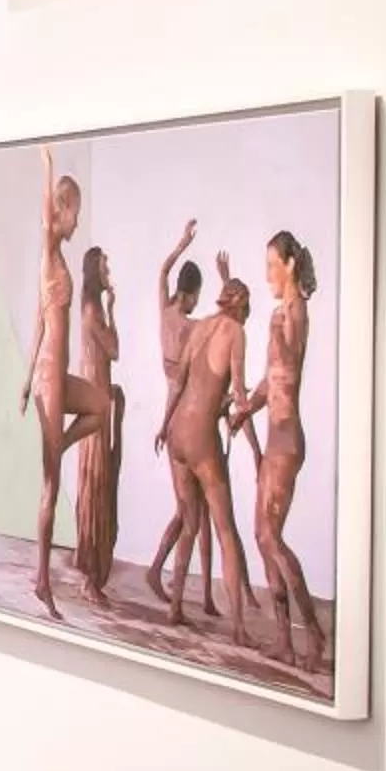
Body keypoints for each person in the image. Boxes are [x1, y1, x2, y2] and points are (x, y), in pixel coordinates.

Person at [16, 149, 115, 620]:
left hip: (48, 374)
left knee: (100, 406)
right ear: (67, 208)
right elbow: (44, 221)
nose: (78, 223)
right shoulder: (50, 249)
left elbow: (38, 321)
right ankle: (41, 580)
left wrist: (22, 380)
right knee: (51, 484)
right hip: (50, 379)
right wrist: (47, 169)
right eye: (76, 212)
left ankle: (62, 445)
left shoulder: (54, 267)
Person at [239, 231, 327, 668]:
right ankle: (285, 642)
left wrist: (278, 325)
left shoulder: (295, 312)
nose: (267, 274)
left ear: (289, 265)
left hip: (287, 439)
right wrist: (242, 412)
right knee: (261, 537)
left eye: (273, 265)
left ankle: (313, 633)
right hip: (274, 435)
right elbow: (268, 381)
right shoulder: (280, 314)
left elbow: (289, 356)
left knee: (271, 537)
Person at [161, 274, 262, 651]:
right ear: (239, 303)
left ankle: (174, 606)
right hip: (202, 435)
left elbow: (179, 381)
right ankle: (238, 626)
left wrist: (162, 424)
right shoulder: (235, 333)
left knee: (189, 523)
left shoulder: (200, 326)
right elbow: (238, 393)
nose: (248, 314)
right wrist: (249, 432)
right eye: (247, 307)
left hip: (176, 432)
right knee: (226, 530)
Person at [145, 221, 217, 619]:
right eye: (196, 298)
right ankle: (162, 576)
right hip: (179, 420)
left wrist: (181, 244)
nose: (194, 304)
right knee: (191, 513)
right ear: (190, 294)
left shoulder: (164, 312)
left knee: (185, 509)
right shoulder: (189, 327)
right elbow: (179, 387)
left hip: (172, 420)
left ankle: (157, 570)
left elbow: (161, 273)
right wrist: (162, 422)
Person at [71, 245, 124, 599]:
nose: (109, 272)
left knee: (95, 483)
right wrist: (111, 309)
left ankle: (90, 569)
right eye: (105, 267)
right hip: (96, 403)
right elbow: (114, 350)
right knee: (95, 485)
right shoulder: (93, 309)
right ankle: (91, 577)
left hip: (98, 398)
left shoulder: (89, 309)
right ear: (95, 272)